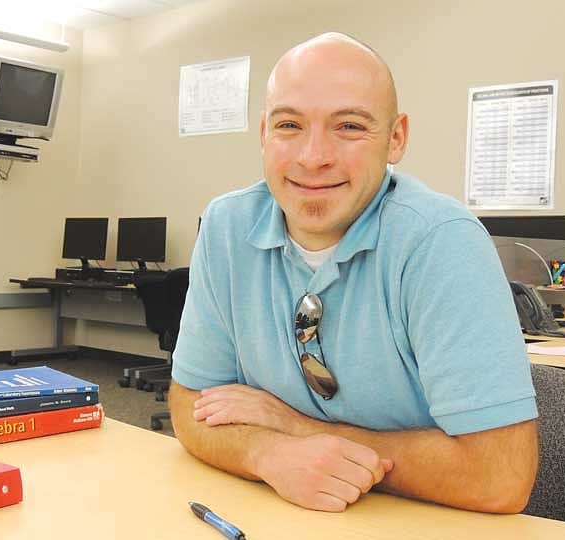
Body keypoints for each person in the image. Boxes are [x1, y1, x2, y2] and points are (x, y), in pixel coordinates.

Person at [169, 32, 538, 514]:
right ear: (263, 133)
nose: (313, 156)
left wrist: (294, 427)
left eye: (349, 126)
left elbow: (498, 476)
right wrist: (268, 454)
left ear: (396, 138)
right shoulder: (226, 226)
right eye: (288, 125)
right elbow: (190, 406)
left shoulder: (441, 241)